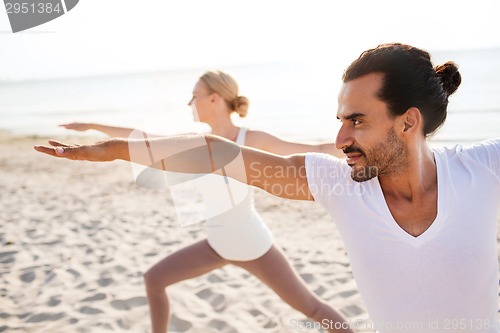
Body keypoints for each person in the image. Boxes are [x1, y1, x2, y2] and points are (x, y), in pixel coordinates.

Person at [35, 43, 500, 333]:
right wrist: (110, 150)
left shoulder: (483, 169)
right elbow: (212, 151)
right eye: (340, 122)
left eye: (357, 121)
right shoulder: (337, 184)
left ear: (408, 122)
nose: (340, 140)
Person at [55, 70, 352, 333]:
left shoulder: (251, 138)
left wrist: (360, 147)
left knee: (313, 309)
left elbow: (317, 148)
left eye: (194, 96)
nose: (190, 103)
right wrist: (94, 126)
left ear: (214, 99)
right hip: (216, 244)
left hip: (252, 244)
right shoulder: (199, 143)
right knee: (154, 280)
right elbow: (144, 138)